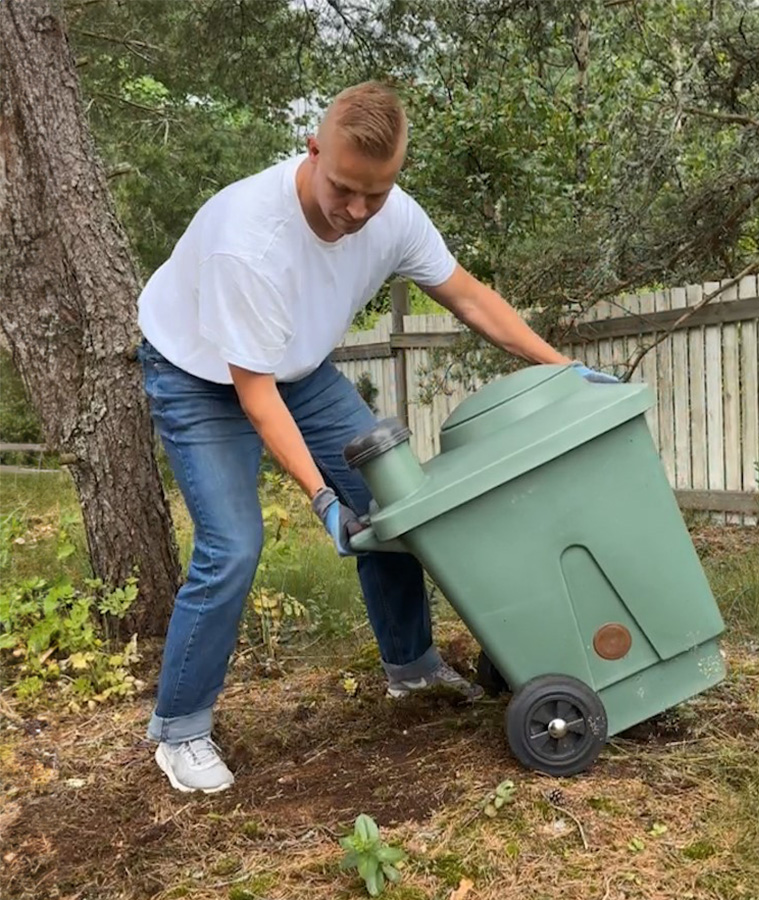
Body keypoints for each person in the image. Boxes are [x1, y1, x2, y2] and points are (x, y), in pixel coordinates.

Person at [136, 80, 605, 794]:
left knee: (396, 498)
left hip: (292, 365)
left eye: (375, 195)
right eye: (344, 189)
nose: (356, 212)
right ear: (314, 150)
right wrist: (323, 497)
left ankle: (411, 668)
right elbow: (254, 399)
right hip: (199, 373)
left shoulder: (395, 218)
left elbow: (470, 298)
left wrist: (562, 366)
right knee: (233, 544)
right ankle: (180, 729)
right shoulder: (249, 242)